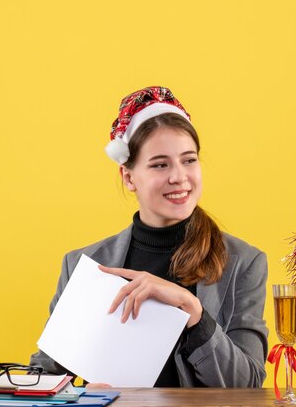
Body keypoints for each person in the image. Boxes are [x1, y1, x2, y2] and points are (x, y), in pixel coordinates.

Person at [29, 86, 269, 388]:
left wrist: (194, 312)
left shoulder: (243, 263)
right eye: (160, 164)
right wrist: (83, 399)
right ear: (129, 177)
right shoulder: (85, 265)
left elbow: (247, 387)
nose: (179, 176)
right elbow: (43, 382)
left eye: (189, 160)